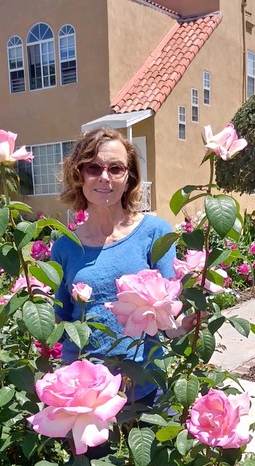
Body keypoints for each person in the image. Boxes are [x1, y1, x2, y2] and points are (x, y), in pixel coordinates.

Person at [51, 127, 192, 404]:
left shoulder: (154, 232)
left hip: (144, 387)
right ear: (79, 175)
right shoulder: (64, 246)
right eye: (93, 167)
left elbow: (168, 315)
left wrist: (185, 326)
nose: (105, 177)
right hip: (85, 394)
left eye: (116, 168)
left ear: (128, 178)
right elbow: (62, 320)